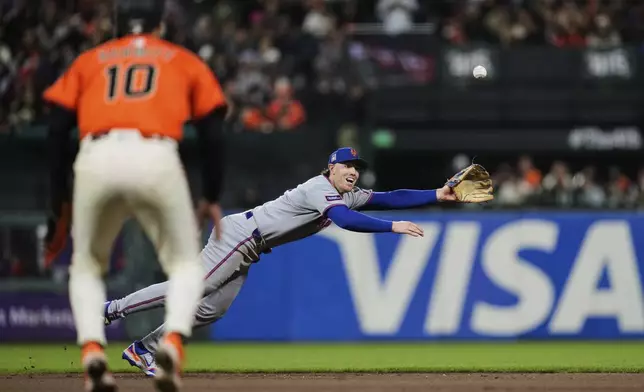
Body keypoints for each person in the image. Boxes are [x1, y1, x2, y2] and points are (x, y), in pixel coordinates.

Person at [104, 147, 461, 376]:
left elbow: (390, 197)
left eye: (357, 167)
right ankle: (112, 309)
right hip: (240, 235)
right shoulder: (319, 188)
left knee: (212, 310)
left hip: (251, 245)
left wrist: (437, 194)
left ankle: (143, 349)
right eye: (346, 165)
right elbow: (346, 221)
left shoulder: (347, 194)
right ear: (331, 168)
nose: (353, 171)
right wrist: (393, 227)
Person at [42, 0, 228, 391]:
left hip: (95, 154)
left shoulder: (90, 60)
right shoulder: (181, 59)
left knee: (88, 265)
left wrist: (59, 198)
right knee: (184, 265)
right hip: (156, 155)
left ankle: (92, 348)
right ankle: (173, 341)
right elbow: (213, 130)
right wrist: (211, 194)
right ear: (161, 25)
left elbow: (56, 128)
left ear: (117, 26)